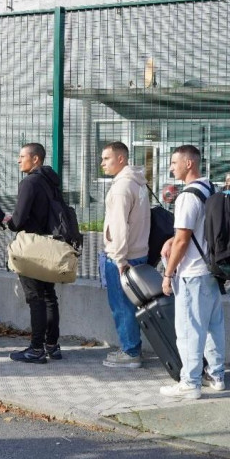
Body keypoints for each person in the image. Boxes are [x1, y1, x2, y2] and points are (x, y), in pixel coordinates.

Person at [159, 145, 226, 399]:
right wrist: (172, 239)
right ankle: (216, 375)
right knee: (213, 325)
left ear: (189, 164)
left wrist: (168, 274)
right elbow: (192, 232)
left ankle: (190, 382)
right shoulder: (210, 189)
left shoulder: (187, 196)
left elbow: (183, 240)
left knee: (189, 329)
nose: (171, 167)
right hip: (212, 269)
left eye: (174, 162)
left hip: (192, 272)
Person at [5, 143, 63, 363]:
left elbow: (19, 221)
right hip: (51, 245)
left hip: (31, 246)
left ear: (36, 159)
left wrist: (8, 221)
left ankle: (36, 349)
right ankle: (52, 345)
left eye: (22, 156)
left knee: (35, 297)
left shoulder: (29, 182)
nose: (19, 160)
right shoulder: (51, 181)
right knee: (49, 296)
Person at [99, 141, 151, 369]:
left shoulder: (121, 187)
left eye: (106, 158)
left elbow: (119, 227)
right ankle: (133, 347)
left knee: (121, 305)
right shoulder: (138, 183)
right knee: (133, 305)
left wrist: (118, 259)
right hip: (139, 252)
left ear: (121, 159)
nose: (102, 163)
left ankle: (130, 352)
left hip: (122, 256)